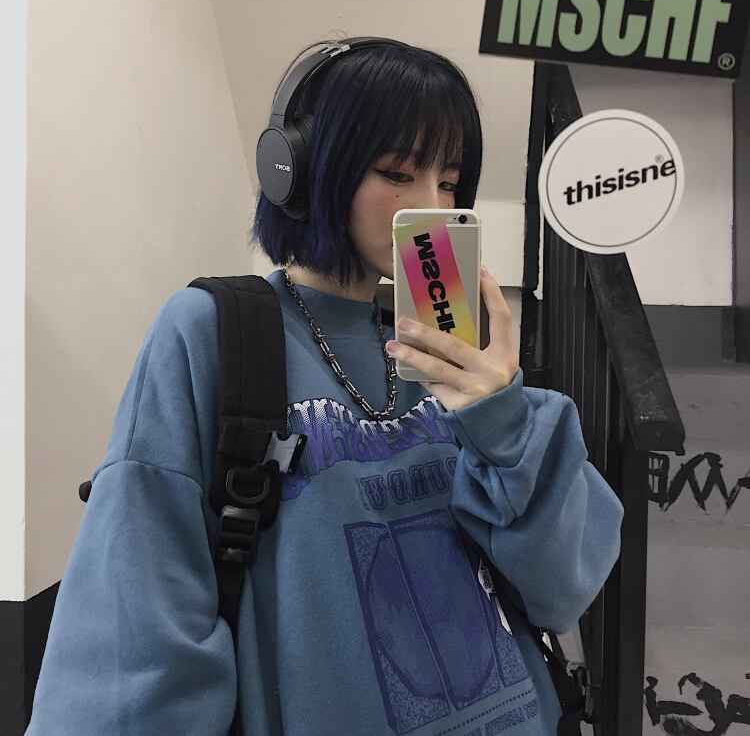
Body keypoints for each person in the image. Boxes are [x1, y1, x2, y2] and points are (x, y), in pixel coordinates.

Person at [27, 37, 623, 736]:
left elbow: (561, 591)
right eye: (397, 173)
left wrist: (506, 421)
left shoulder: (457, 358)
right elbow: (139, 629)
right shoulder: (213, 332)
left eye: (450, 181)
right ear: (304, 171)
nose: (430, 206)